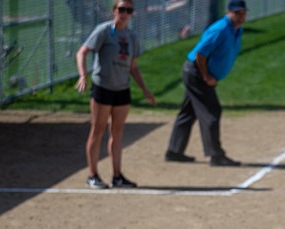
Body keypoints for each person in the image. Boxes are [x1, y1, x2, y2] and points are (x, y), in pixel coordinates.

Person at [76, 0, 155, 189]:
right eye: (121, 9)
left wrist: (145, 90)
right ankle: (92, 175)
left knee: (117, 133)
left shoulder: (132, 36)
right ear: (114, 11)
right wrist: (83, 75)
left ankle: (117, 176)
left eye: (128, 10)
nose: (124, 13)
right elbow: (82, 52)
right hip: (103, 87)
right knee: (97, 130)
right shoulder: (103, 31)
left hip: (122, 89)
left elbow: (133, 67)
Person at [164, 0, 246, 166]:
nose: (240, 17)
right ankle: (216, 155)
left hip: (199, 73)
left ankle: (174, 151)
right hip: (196, 72)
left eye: (243, 13)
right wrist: (206, 76)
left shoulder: (237, 29)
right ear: (228, 12)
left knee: (188, 112)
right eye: (237, 13)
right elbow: (200, 54)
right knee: (211, 111)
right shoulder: (220, 29)